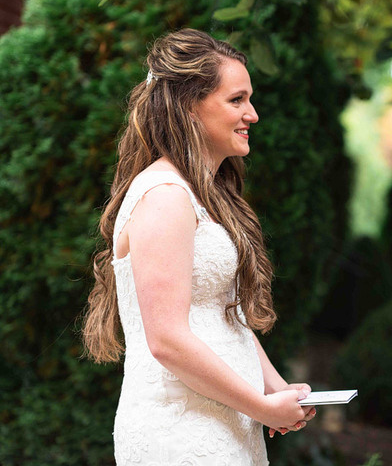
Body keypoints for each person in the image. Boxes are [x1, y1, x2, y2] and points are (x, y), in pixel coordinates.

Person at [83, 28, 315, 465]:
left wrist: (276, 387)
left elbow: (225, 314)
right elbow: (166, 339)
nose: (253, 114)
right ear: (190, 106)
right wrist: (261, 406)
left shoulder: (202, 194)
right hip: (181, 430)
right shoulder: (166, 195)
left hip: (225, 422)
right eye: (237, 100)